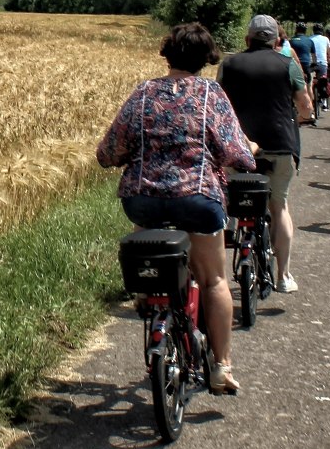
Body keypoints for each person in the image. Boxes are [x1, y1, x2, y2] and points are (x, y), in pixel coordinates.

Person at [97, 22, 258, 394]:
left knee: (147, 225)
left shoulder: (143, 93)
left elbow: (108, 152)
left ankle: (147, 296)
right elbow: (236, 153)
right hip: (197, 200)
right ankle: (221, 367)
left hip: (142, 201)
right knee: (215, 279)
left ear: (167, 52)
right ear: (206, 59)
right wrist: (249, 152)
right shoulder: (210, 94)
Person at [218, 14, 312, 295]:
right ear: (276, 41)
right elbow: (305, 106)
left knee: (228, 202)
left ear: (247, 39)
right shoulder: (288, 65)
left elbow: (217, 104)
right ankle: (283, 276)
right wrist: (299, 119)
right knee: (278, 205)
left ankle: (213, 275)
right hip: (280, 145)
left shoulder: (229, 64)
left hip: (238, 146)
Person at [289, 27, 323, 124]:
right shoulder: (310, 40)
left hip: (294, 65)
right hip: (306, 65)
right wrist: (314, 64)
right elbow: (313, 56)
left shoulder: (291, 40)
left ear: (296, 30)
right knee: (308, 87)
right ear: (305, 31)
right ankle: (310, 112)